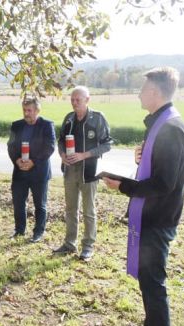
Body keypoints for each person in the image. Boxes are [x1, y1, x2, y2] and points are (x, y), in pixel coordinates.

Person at [102, 67, 184, 326]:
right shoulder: (159, 124)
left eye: (143, 89)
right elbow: (159, 170)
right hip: (151, 216)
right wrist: (143, 158)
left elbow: (165, 183)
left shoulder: (171, 128)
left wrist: (123, 185)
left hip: (158, 219)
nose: (139, 94)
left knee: (154, 283)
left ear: (155, 92)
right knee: (147, 281)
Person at [53, 86, 112, 261]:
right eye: (72, 99)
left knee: (88, 210)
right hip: (70, 170)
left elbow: (107, 144)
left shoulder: (98, 119)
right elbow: (61, 141)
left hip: (89, 171)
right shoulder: (69, 119)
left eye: (78, 99)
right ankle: (69, 243)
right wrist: (62, 155)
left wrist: (84, 155)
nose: (74, 103)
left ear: (88, 100)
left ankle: (88, 247)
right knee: (71, 209)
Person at [7, 96, 55, 242]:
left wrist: (33, 161)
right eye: (24, 110)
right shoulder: (17, 125)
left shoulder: (47, 125)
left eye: (29, 110)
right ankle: (19, 230)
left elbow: (50, 147)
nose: (26, 113)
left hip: (39, 171)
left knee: (40, 204)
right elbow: (11, 146)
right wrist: (16, 160)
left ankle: (38, 232)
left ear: (37, 110)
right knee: (18, 202)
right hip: (20, 170)